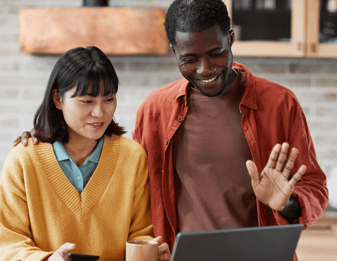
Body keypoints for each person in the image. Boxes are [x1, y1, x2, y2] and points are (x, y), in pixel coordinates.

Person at [14, 1, 328, 261]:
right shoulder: (157, 108)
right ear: (174, 51)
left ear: (231, 38)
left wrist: (287, 204)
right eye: (190, 59)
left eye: (215, 53)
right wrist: (45, 137)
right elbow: (125, 179)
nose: (205, 69)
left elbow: (314, 186)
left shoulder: (279, 103)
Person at [1, 46, 170, 261]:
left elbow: (140, 233)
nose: (99, 112)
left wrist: (150, 252)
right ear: (58, 99)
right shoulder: (23, 160)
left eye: (108, 99)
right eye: (87, 101)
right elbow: (7, 242)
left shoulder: (132, 157)